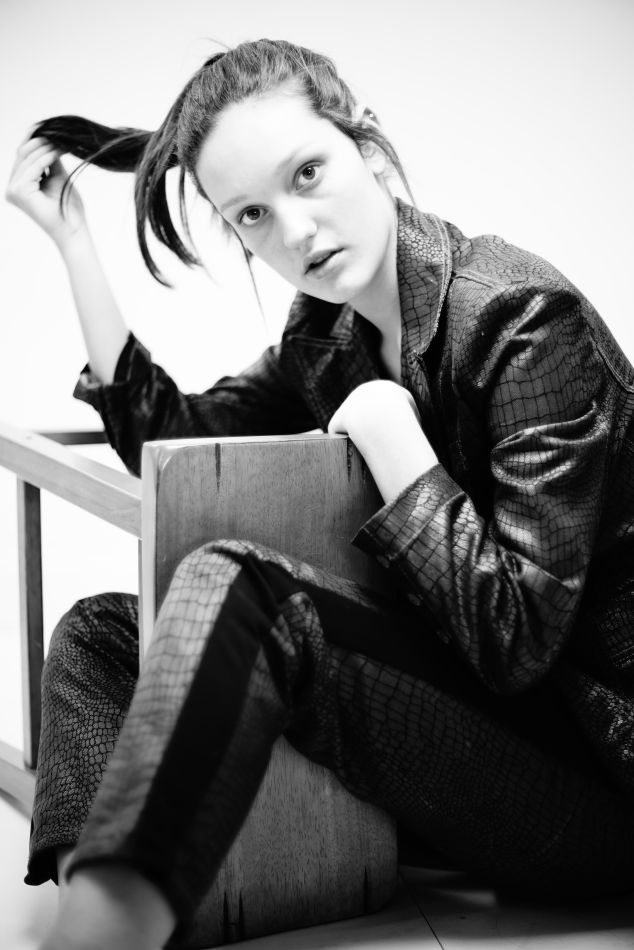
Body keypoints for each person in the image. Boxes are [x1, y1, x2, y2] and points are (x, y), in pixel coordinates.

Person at [6, 37, 634, 950]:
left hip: (598, 783)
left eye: (308, 173)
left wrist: (390, 434)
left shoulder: (522, 319)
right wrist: (74, 244)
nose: (294, 232)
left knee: (246, 588)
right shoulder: (327, 334)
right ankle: (96, 914)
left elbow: (515, 642)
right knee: (101, 631)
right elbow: (175, 437)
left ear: (365, 144)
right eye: (254, 215)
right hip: (468, 742)